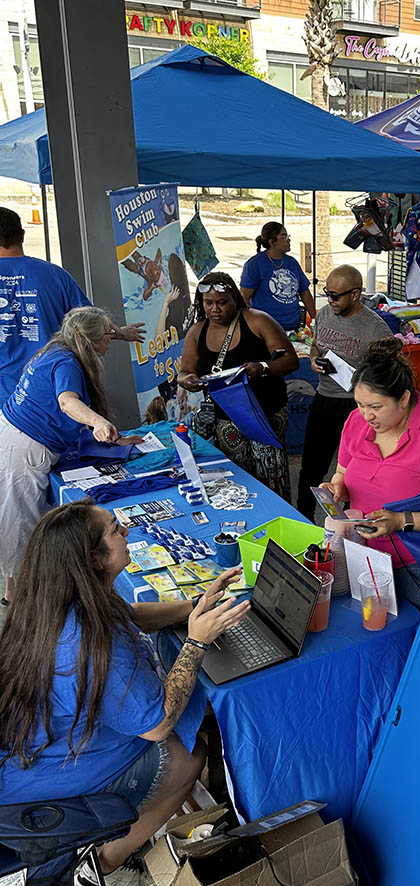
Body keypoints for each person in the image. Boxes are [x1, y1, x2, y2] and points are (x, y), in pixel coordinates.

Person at [0, 499, 249, 886]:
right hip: (49, 779)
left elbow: (132, 615)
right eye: (116, 530)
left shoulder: (63, 596)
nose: (126, 531)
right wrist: (198, 639)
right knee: (190, 756)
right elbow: (158, 723)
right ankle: (101, 866)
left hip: (31, 750)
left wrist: (194, 608)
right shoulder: (87, 641)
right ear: (94, 559)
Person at [318, 338, 420, 609]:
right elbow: (342, 472)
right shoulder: (357, 423)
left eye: (376, 407)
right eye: (360, 404)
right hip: (364, 554)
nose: (366, 415)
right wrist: (336, 488)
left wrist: (401, 520)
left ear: (404, 398)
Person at [0, 307, 142, 598]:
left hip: (16, 437)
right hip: (24, 448)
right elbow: (67, 403)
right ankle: (18, 598)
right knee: (20, 523)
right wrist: (99, 421)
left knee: (22, 518)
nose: (110, 342)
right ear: (90, 341)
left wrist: (121, 333)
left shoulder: (59, 347)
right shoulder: (67, 363)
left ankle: (16, 591)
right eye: (108, 336)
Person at [0, 207, 145, 403]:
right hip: (51, 388)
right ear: (22, 235)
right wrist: (120, 333)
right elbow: (89, 322)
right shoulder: (53, 275)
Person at [178, 272, 299, 499]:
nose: (215, 309)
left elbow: (290, 360)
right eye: (209, 303)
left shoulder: (257, 320)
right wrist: (187, 380)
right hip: (225, 419)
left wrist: (263, 367)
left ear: (234, 298)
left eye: (222, 303)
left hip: (265, 415)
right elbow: (184, 372)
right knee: (237, 483)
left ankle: (280, 525)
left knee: (272, 478)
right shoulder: (197, 331)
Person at [295, 265, 392, 521]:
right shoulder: (325, 314)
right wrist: (315, 360)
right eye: (327, 293)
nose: (330, 300)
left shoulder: (375, 328)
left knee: (356, 474)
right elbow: (316, 345)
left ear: (356, 294)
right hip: (324, 400)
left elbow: (390, 372)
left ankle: (356, 527)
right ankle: (303, 518)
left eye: (336, 295)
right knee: (311, 468)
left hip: (358, 408)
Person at [240, 221, 315, 329]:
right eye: (283, 237)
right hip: (265, 328)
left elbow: (305, 293)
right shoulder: (254, 264)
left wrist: (315, 320)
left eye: (288, 236)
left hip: (294, 327)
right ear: (272, 242)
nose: (288, 240)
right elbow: (244, 297)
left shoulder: (292, 262)